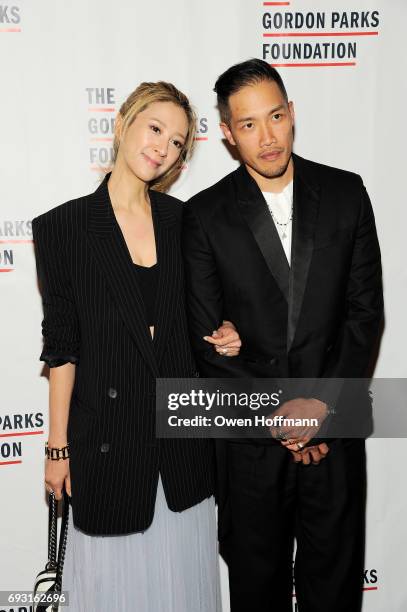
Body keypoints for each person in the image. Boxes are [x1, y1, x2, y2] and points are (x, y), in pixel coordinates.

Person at [32, 81, 242, 612]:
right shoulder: (62, 228)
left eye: (176, 143)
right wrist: (58, 448)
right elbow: (62, 346)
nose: (163, 148)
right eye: (155, 129)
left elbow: (202, 323)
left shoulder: (183, 222)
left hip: (183, 449)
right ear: (123, 121)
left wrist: (229, 335)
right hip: (107, 443)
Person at [182, 59, 383, 612]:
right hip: (250, 451)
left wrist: (320, 406)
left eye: (275, 117)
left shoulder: (346, 193)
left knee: (335, 593)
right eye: (248, 124)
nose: (267, 137)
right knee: (257, 595)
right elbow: (205, 344)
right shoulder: (204, 216)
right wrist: (282, 416)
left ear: (292, 113)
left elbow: (365, 317)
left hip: (334, 441)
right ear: (226, 133)